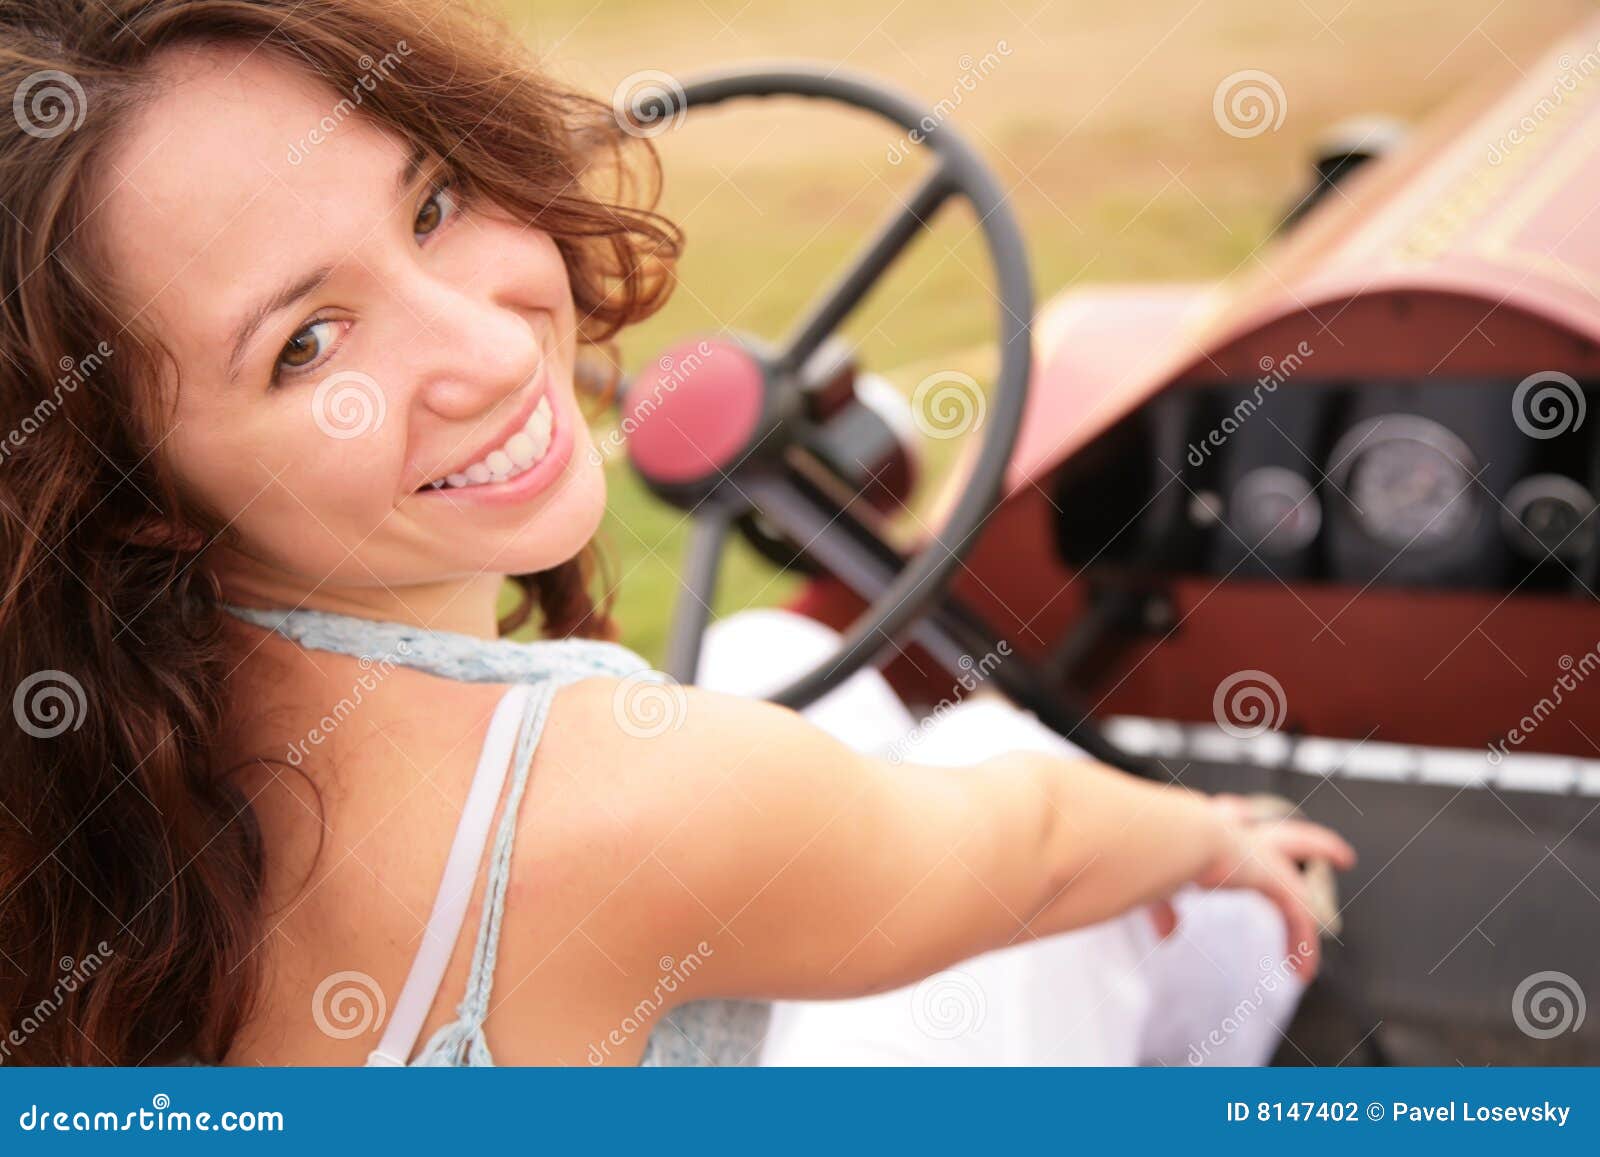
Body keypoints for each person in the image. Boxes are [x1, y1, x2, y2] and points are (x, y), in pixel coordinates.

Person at [0, 0, 1353, 1067]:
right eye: (306, 343)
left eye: (432, 205)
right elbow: (1038, 843)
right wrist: (1210, 836)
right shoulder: (619, 807)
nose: (488, 346)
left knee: (768, 646)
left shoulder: (90, 777)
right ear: (132, 483)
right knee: (1010, 760)